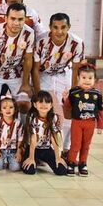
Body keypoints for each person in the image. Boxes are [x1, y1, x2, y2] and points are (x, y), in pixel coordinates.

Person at [33, 13, 85, 153]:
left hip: (64, 74)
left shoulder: (77, 43)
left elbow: (75, 70)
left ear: (69, 27)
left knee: (68, 109)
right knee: (42, 108)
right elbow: (35, 69)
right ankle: (40, 146)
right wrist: (37, 92)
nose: (59, 31)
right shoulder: (40, 41)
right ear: (50, 27)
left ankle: (66, 148)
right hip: (44, 75)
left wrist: (73, 93)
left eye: (63, 27)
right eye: (55, 27)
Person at [0, 3, 35, 143]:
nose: (16, 23)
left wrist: (25, 84)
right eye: (12, 18)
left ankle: (24, 142)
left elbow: (28, 59)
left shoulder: (29, 33)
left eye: (20, 19)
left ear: (25, 19)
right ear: (5, 18)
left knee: (24, 103)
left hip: (16, 75)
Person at [62, 64, 103, 176]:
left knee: (86, 145)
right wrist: (65, 99)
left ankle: (83, 163)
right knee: (75, 144)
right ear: (78, 78)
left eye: (90, 78)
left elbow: (100, 111)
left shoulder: (97, 94)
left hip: (90, 123)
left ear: (95, 79)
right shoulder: (74, 92)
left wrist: (100, 125)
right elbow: (67, 107)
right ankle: (71, 162)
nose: (87, 81)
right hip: (77, 122)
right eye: (84, 77)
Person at [21, 91, 68, 176]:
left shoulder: (54, 117)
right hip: (34, 148)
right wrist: (31, 158)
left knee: (62, 170)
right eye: (40, 102)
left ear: (51, 105)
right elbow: (33, 139)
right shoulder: (33, 118)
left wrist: (58, 157)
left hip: (46, 148)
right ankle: (35, 159)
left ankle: (41, 160)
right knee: (30, 170)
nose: (44, 104)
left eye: (47, 102)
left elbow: (54, 137)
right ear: (35, 105)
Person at [0, 95, 23, 172]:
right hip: (0, 149)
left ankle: (9, 161)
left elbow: (20, 139)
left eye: (11, 107)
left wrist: (18, 152)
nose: (8, 110)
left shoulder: (18, 123)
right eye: (4, 108)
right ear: (0, 110)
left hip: (13, 150)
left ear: (15, 109)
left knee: (15, 168)